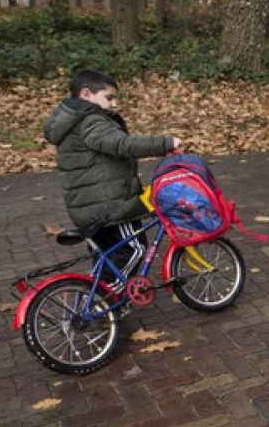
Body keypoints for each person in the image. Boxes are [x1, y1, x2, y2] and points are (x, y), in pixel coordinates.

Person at [43, 69, 181, 293]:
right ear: (86, 94)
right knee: (133, 248)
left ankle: (93, 298)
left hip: (91, 207)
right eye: (109, 97)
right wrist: (166, 142)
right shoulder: (90, 120)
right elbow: (121, 144)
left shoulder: (74, 122)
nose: (114, 103)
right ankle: (103, 300)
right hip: (109, 206)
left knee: (106, 257)